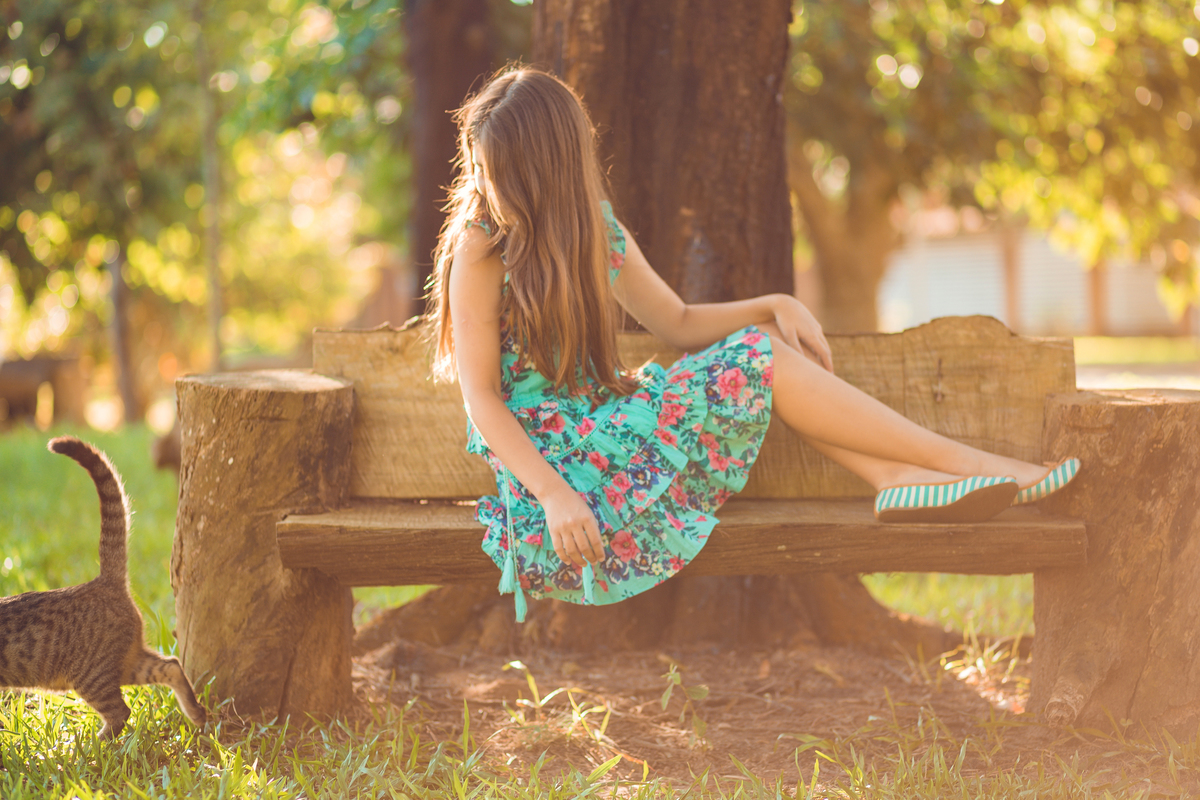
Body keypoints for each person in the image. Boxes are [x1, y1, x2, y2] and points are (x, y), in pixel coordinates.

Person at [425, 67, 1078, 620]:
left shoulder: (596, 230)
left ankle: (898, 477)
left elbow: (676, 321)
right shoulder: (481, 246)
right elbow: (480, 398)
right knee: (758, 358)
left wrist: (775, 303)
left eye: (503, 173)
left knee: (759, 347)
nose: (489, 188)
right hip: (555, 459)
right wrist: (553, 495)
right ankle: (963, 465)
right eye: (481, 169)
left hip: (603, 430)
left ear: (550, 169)